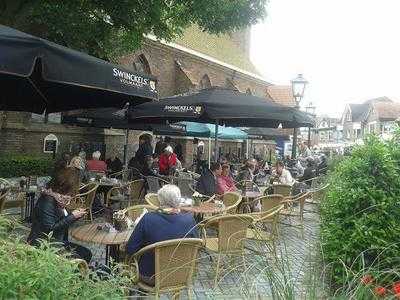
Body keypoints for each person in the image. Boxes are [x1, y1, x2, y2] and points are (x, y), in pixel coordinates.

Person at [126, 184, 198, 286]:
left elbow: (130, 249)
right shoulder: (189, 220)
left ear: (160, 200)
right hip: (180, 274)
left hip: (151, 276)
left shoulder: (148, 218)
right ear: (178, 200)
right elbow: (197, 246)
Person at [27, 168, 92, 263]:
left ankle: (77, 276)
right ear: (66, 185)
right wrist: (72, 216)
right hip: (45, 245)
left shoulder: (59, 199)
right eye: (73, 188)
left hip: (58, 241)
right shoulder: (47, 201)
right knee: (83, 256)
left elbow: (61, 219)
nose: (74, 192)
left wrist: (75, 215)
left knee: (86, 253)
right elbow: (50, 228)